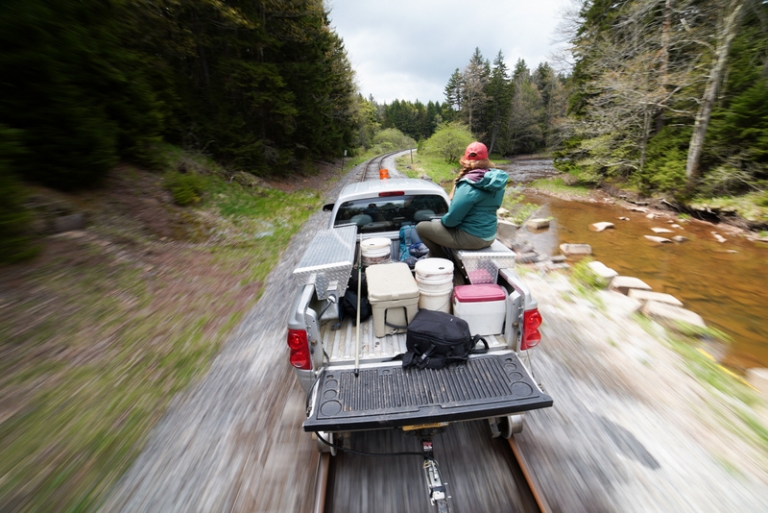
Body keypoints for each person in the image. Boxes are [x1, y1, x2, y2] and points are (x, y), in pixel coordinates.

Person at [416, 141, 508, 261]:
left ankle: (441, 259)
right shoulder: (495, 182)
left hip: (472, 238)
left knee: (421, 227)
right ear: (486, 159)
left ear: (465, 160)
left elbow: (453, 219)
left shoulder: (469, 183)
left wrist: (442, 222)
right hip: (489, 237)